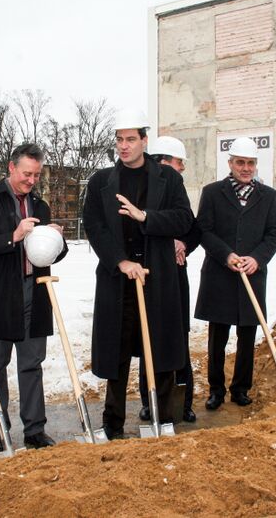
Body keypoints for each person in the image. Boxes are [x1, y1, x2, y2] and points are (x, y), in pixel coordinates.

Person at [82, 109, 193, 439]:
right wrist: (120, 261)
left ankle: (162, 418)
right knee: (116, 353)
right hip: (118, 280)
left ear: (145, 141)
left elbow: (183, 219)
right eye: (119, 139)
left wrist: (145, 216)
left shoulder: (167, 178)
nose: (124, 145)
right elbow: (95, 227)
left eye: (131, 139)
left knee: (160, 350)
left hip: (157, 277)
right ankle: (112, 423)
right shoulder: (101, 181)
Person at [0, 143, 67, 452]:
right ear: (11, 167)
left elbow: (52, 255)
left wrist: (57, 241)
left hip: (34, 292)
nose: (32, 180)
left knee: (32, 363)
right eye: (26, 174)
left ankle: (35, 430)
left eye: (36, 175)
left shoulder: (40, 205)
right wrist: (14, 236)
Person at [195, 136, 276, 409]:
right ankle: (216, 390)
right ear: (230, 163)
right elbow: (203, 230)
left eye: (250, 163)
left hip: (251, 276)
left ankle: (241, 388)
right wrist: (226, 254)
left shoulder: (268, 196)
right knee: (217, 338)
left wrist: (257, 259)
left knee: (247, 336)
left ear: (256, 164)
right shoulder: (212, 193)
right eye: (240, 162)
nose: (246, 168)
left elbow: (273, 233)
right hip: (220, 276)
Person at [136, 136, 201, 424]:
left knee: (178, 338)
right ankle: (149, 401)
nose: (182, 168)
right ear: (162, 161)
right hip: (149, 276)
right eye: (179, 162)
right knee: (148, 337)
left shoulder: (177, 190)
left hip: (175, 277)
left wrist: (182, 243)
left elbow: (194, 227)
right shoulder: (143, 190)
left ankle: (183, 403)